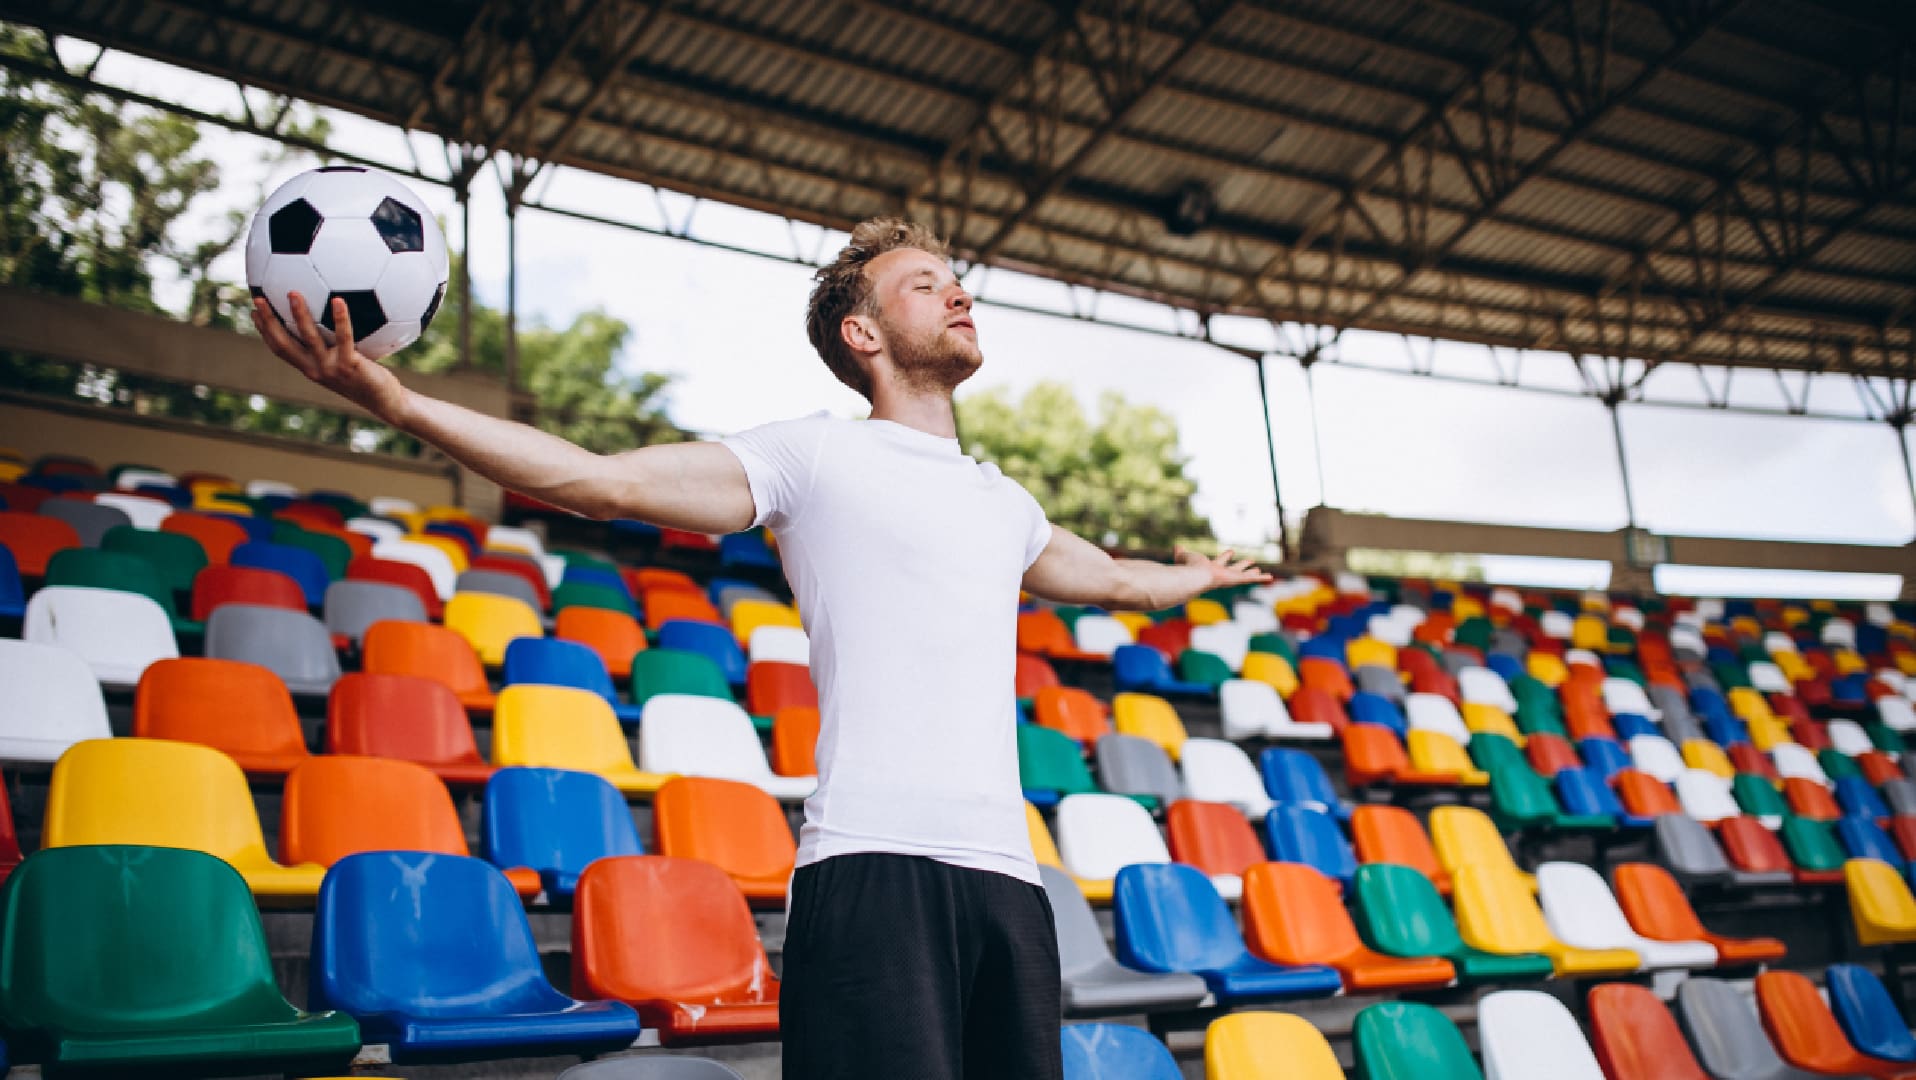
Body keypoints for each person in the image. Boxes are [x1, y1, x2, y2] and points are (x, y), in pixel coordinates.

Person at [253, 216, 1271, 1079]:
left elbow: (1125, 581)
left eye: (956, 282)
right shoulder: (811, 454)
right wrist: (398, 403)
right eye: (927, 285)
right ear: (863, 331)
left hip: (1011, 885)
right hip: (873, 873)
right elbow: (597, 481)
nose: (959, 296)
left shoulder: (1004, 502)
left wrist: (1205, 578)